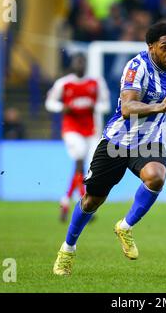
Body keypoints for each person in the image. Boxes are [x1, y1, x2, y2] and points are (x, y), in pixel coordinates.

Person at [53, 22, 166, 275]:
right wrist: (158, 106)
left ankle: (125, 226)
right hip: (117, 143)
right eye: (165, 47)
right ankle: (68, 249)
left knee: (156, 176)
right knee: (93, 199)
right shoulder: (136, 68)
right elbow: (128, 108)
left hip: (148, 141)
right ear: (151, 47)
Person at [46, 53, 110, 222]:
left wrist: (95, 107)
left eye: (82, 62)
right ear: (73, 64)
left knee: (85, 169)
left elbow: (106, 104)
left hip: (90, 131)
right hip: (71, 129)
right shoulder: (64, 83)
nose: (80, 65)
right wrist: (62, 107)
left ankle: (66, 201)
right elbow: (50, 102)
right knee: (80, 159)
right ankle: (83, 205)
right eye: (77, 62)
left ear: (86, 64)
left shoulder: (96, 82)